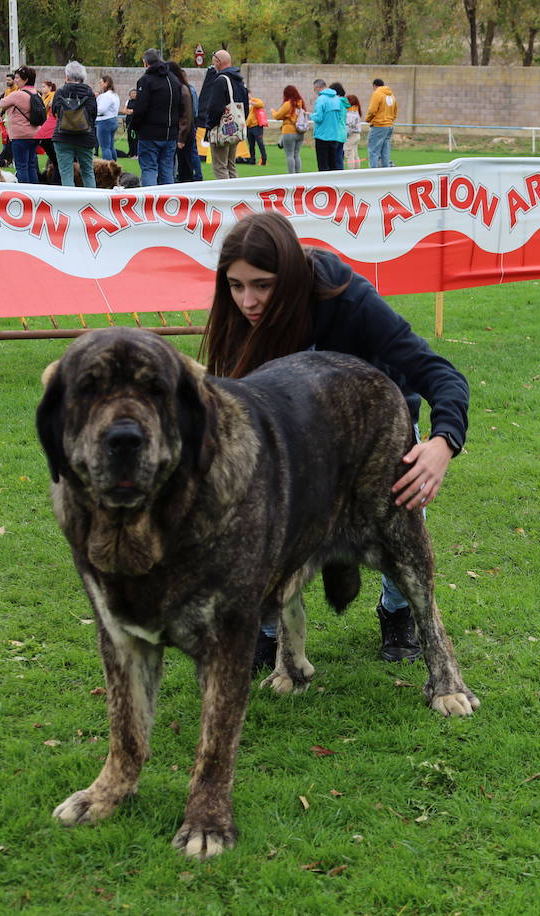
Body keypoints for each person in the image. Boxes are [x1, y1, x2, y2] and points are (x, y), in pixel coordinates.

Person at [200, 211, 470, 665]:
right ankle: (265, 630)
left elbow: (439, 373)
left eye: (263, 285)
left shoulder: (349, 300)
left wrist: (443, 443)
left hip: (374, 436)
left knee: (400, 526)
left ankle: (398, 612)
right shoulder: (238, 313)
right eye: (236, 285)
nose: (248, 300)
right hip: (298, 441)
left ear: (288, 274)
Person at [128, 49, 182, 187]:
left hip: (150, 134)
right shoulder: (174, 80)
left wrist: (134, 125)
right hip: (170, 133)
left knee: (149, 169)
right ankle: (168, 203)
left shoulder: (146, 81)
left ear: (145, 63)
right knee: (167, 170)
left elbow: (141, 108)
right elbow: (180, 107)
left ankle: (149, 203)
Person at [197, 49, 249, 180]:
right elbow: (245, 106)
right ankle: (236, 194)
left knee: (220, 166)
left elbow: (214, 108)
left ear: (218, 62)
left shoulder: (221, 80)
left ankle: (227, 196)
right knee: (231, 165)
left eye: (214, 62)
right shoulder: (238, 80)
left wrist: (210, 126)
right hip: (236, 128)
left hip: (222, 130)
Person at [51, 60, 98, 188]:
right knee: (87, 172)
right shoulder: (89, 93)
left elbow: (54, 113)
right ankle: (91, 203)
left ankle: (70, 205)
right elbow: (93, 115)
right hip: (85, 137)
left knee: (66, 173)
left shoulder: (60, 92)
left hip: (62, 137)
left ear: (67, 76)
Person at [0, 65, 42, 184]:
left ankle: (25, 194)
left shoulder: (18, 94)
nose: (15, 80)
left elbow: (2, 103)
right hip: (35, 134)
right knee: (31, 165)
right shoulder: (36, 93)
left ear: (25, 79)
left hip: (20, 135)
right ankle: (35, 192)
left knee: (21, 166)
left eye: (17, 78)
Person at [167, 61, 201, 183]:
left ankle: (188, 181)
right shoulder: (183, 88)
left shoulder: (184, 89)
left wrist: (181, 137)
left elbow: (187, 115)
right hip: (185, 130)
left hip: (184, 132)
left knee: (185, 161)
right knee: (184, 160)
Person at [309, 78, 346, 172]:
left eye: (314, 89)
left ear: (318, 87)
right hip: (334, 135)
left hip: (322, 136)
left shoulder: (321, 99)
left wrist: (309, 116)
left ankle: (324, 185)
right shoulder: (337, 99)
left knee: (323, 165)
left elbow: (318, 117)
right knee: (333, 164)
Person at [273, 84, 307, 174]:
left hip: (289, 131)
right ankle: (298, 173)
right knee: (297, 154)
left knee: (289, 155)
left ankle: (291, 175)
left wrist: (273, 111)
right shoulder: (301, 103)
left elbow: (277, 116)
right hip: (300, 131)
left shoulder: (288, 104)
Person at [364, 77, 396, 168]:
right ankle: (385, 171)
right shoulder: (391, 95)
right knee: (385, 150)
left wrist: (368, 119)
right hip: (389, 125)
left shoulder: (377, 93)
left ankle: (373, 173)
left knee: (373, 151)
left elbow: (372, 110)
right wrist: (390, 120)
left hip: (379, 125)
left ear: (374, 86)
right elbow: (395, 111)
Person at [95, 74, 120, 161]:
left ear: (106, 83)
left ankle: (108, 169)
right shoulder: (114, 94)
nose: (100, 84)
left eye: (101, 82)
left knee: (105, 147)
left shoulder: (106, 96)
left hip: (104, 121)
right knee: (111, 146)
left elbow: (101, 110)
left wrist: (93, 109)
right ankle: (115, 167)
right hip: (113, 120)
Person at [247, 95, 268, 166]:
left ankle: (264, 159)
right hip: (248, 126)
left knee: (260, 143)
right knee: (251, 145)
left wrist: (251, 102)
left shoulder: (255, 100)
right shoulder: (244, 103)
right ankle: (252, 159)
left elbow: (261, 104)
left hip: (256, 126)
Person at [343, 93, 362, 169]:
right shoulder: (356, 110)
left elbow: (349, 125)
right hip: (357, 135)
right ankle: (356, 172)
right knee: (355, 155)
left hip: (352, 135)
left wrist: (345, 134)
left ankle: (351, 172)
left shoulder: (351, 112)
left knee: (349, 154)